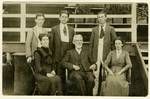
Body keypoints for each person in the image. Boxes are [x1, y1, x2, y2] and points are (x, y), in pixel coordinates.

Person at [89, 10, 117, 95]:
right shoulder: (94, 29)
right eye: (99, 17)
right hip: (96, 55)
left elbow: (115, 42)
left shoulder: (111, 29)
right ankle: (94, 94)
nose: (100, 19)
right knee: (96, 76)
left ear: (106, 17)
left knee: (105, 75)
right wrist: (91, 58)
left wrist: (112, 56)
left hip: (106, 55)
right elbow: (91, 44)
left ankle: (105, 94)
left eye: (102, 17)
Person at [51, 10, 75, 93]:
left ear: (68, 19)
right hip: (58, 56)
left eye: (66, 17)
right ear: (59, 18)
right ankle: (60, 93)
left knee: (70, 75)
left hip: (68, 55)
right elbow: (51, 45)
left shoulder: (72, 29)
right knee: (59, 76)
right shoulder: (54, 29)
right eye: (62, 17)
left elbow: (73, 44)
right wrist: (53, 57)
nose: (64, 18)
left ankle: (68, 92)